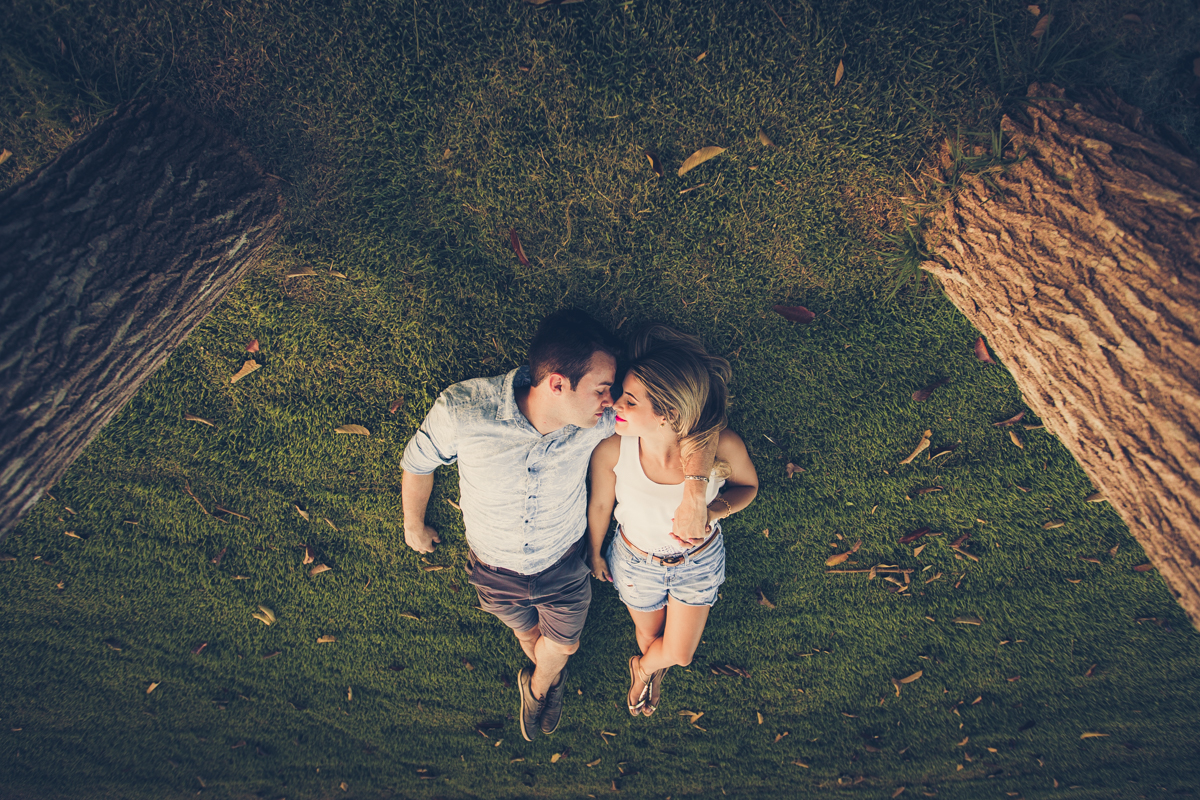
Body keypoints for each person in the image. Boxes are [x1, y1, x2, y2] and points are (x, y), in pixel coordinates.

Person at [399, 309, 717, 741]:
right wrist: (413, 525)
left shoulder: (600, 420)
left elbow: (698, 425)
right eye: (602, 389)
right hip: (492, 569)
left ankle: (537, 688)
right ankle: (549, 676)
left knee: (565, 644)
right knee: (527, 632)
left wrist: (696, 492)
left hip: (563, 567)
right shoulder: (465, 411)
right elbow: (418, 462)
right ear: (557, 384)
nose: (611, 401)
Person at [587, 324, 758, 716]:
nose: (615, 405)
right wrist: (594, 553)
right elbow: (599, 506)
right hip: (635, 563)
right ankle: (652, 666)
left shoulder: (723, 445)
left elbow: (748, 487)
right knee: (650, 637)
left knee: (678, 654)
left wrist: (714, 511)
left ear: (668, 414)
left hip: (697, 563)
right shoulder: (613, 449)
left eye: (630, 401)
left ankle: (644, 669)